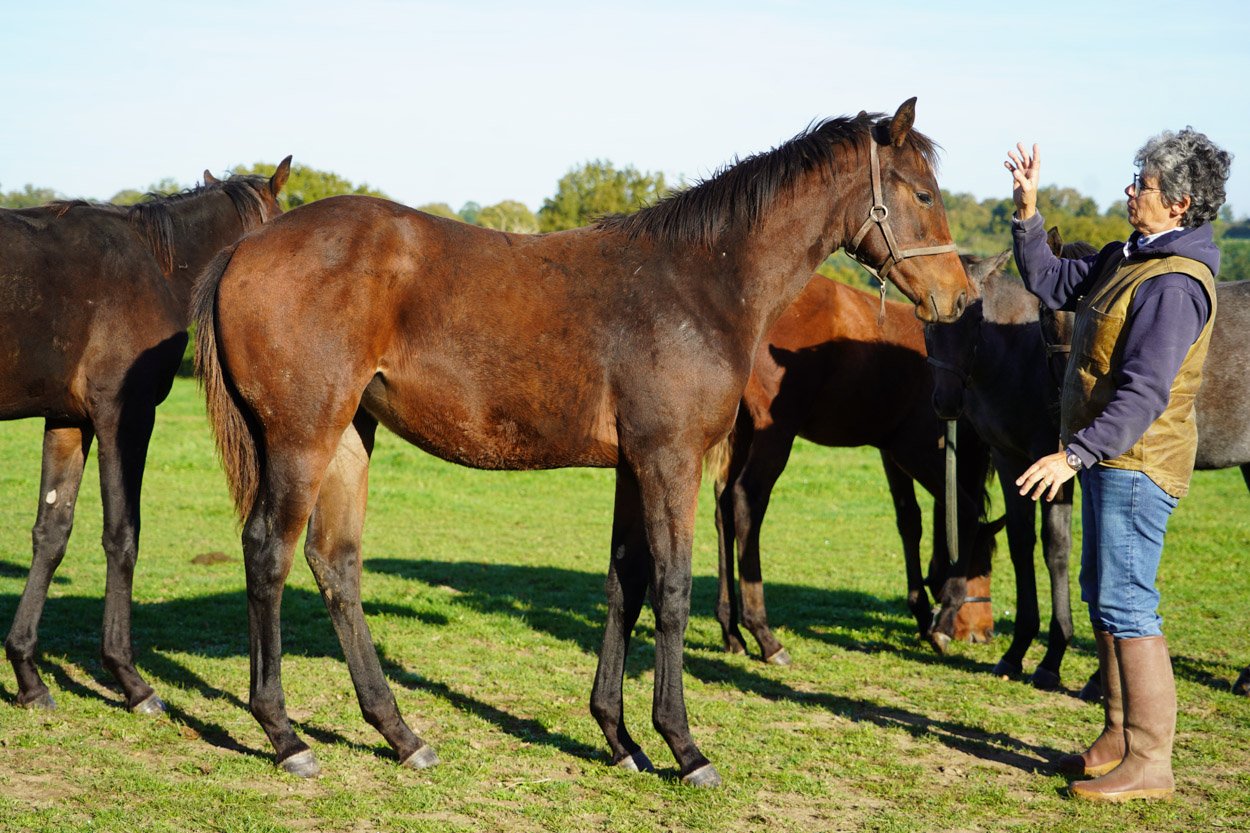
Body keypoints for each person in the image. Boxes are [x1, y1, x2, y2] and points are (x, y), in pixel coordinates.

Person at [1006, 129, 1232, 802]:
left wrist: (1073, 453)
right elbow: (1050, 281)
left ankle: (1151, 762)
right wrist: (1027, 211)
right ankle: (1116, 737)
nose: (1131, 191)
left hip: (1137, 463)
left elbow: (1143, 393)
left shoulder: (1174, 284)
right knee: (1103, 595)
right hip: (1111, 458)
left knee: (1128, 605)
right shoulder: (1127, 256)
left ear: (1180, 203)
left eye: (1145, 185)